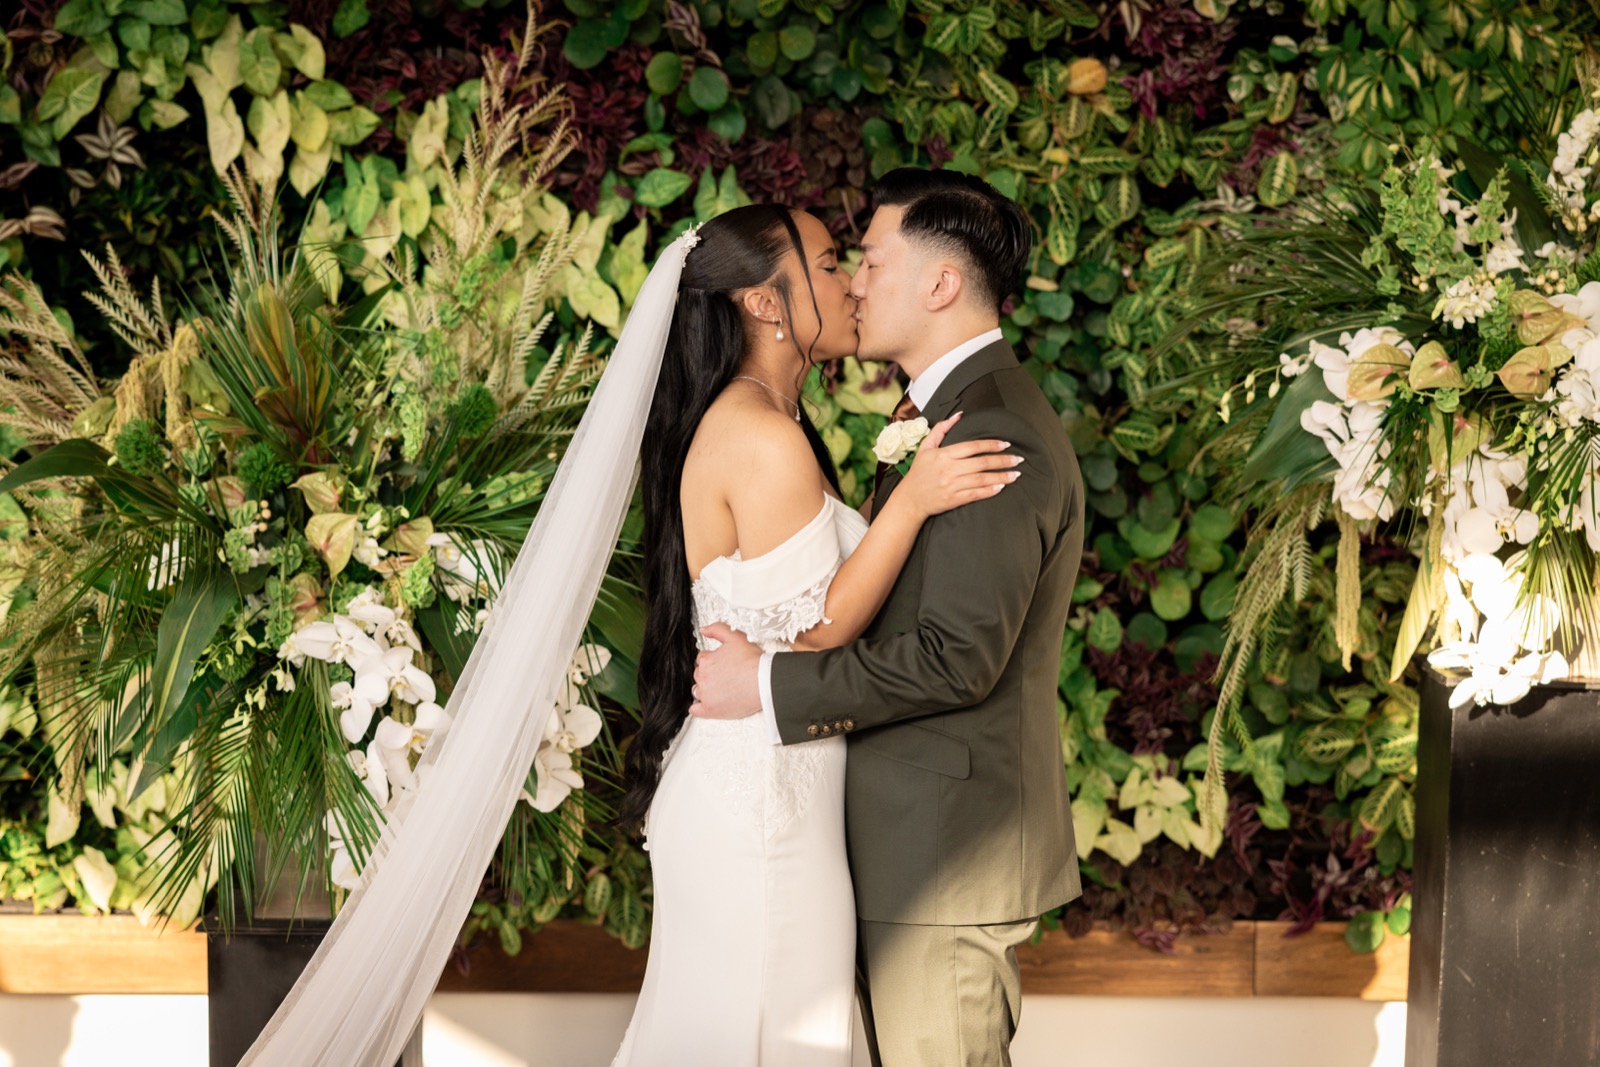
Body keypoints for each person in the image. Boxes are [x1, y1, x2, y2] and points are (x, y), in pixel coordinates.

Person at [610, 202, 1023, 1065]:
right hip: (760, 805)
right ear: (765, 303)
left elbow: (803, 592)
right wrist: (912, 499)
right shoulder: (760, 434)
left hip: (771, 782)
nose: (851, 282)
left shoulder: (768, 421)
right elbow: (824, 624)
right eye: (832, 263)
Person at [689, 169, 1085, 1066]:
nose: (854, 283)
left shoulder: (994, 431)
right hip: (912, 845)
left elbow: (956, 659)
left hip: (944, 856)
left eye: (869, 260)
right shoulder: (944, 413)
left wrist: (769, 683)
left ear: (941, 284)